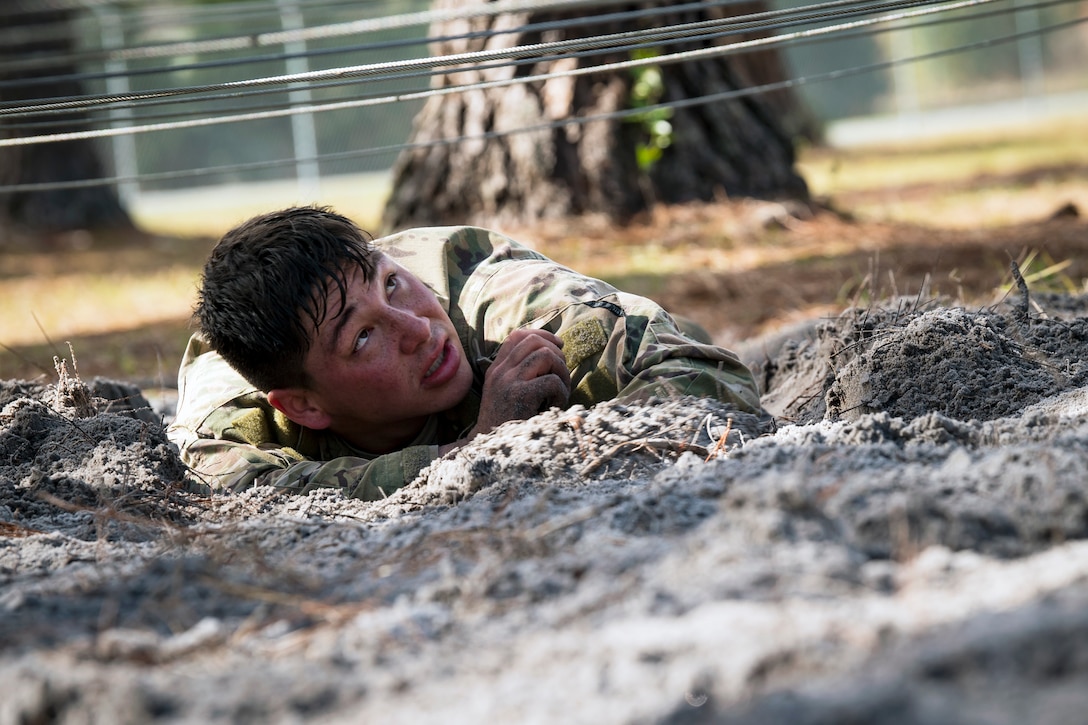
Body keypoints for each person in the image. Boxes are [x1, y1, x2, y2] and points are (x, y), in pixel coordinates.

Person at [168, 206, 769, 500]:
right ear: (304, 407)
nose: (417, 328)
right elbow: (239, 491)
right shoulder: (234, 410)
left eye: (393, 285)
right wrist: (480, 450)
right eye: (364, 337)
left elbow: (709, 380)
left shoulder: (496, 297)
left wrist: (562, 442)